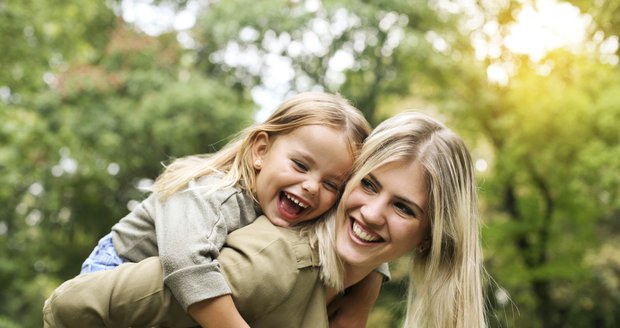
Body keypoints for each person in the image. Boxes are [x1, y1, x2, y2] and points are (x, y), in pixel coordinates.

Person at [43, 111, 487, 328]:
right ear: (260, 151)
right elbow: (71, 304)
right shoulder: (263, 250)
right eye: (368, 186)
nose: (370, 213)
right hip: (121, 258)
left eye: (404, 207)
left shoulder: (346, 269)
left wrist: (366, 289)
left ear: (431, 236)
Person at [72, 91, 378, 327]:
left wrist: (364, 295)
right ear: (261, 150)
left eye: (331, 185)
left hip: (174, 294)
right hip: (117, 271)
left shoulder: (301, 203)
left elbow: (362, 226)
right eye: (300, 165)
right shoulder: (212, 192)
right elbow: (184, 259)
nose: (312, 186)